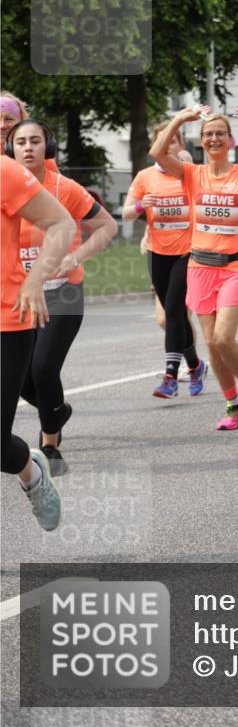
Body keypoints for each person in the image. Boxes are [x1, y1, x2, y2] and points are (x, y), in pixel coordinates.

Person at [150, 104, 238, 430]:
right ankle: (232, 404)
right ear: (201, 141)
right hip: (199, 266)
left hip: (235, 266)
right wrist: (179, 119)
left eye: (220, 133)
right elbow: (157, 153)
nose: (214, 139)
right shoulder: (192, 173)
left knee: (224, 337)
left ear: (230, 139)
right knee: (211, 344)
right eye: (208, 134)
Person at [8, 120, 118, 474]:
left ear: (48, 146)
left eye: (35, 141)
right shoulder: (6, 184)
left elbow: (107, 226)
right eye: (20, 142)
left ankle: (50, 445)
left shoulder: (63, 187)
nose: (28, 147)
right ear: (10, 149)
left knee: (43, 368)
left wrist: (75, 257)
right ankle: (56, 409)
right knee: (22, 378)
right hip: (20, 296)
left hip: (62, 293)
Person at [1, 153, 74, 530]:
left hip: (6, 317)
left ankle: (32, 477)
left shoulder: (5, 171)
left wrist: (35, 279)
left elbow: (62, 224)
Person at [124, 123, 206, 398]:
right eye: (163, 140)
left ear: (180, 145)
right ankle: (195, 365)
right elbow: (126, 213)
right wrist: (141, 205)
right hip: (157, 253)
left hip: (188, 252)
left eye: (173, 140)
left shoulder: (189, 173)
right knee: (175, 315)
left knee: (172, 308)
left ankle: (170, 376)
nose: (168, 145)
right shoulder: (145, 176)